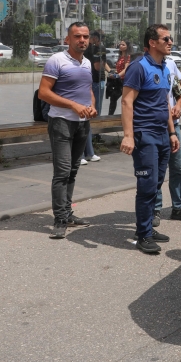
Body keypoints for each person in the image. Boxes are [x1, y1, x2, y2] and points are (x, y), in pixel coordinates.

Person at [120, 24, 180, 254]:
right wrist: (128, 136)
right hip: (144, 135)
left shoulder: (164, 67)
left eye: (170, 38)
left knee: (155, 185)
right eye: (166, 38)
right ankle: (143, 234)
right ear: (152, 42)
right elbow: (126, 102)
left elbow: (165, 103)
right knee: (146, 186)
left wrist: (172, 132)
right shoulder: (139, 67)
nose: (170, 42)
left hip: (162, 135)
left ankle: (146, 228)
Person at [38, 21, 96, 239]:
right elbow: (43, 93)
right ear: (67, 40)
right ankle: (60, 218)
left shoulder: (87, 63)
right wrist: (73, 105)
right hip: (61, 122)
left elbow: (86, 89)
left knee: (73, 170)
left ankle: (68, 212)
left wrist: (91, 106)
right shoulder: (56, 60)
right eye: (77, 36)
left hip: (82, 124)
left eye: (85, 36)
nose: (82, 40)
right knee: (62, 172)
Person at [153, 51, 181, 224]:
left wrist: (179, 105)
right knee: (157, 169)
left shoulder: (171, 64)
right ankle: (155, 209)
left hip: (175, 124)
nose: (169, 43)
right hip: (157, 125)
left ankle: (177, 207)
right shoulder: (146, 65)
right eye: (165, 39)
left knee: (177, 168)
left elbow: (179, 91)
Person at [82, 31, 107, 164]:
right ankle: (84, 152)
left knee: (89, 117)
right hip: (95, 82)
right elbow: (98, 66)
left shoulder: (89, 53)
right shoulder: (96, 50)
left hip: (92, 84)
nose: (84, 41)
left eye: (86, 37)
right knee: (90, 116)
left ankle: (89, 151)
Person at [106, 40, 132, 115]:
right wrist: (114, 73)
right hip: (119, 81)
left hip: (125, 81)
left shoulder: (128, 57)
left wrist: (117, 75)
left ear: (127, 47)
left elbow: (126, 69)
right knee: (113, 98)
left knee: (124, 100)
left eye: (123, 45)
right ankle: (110, 116)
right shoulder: (121, 57)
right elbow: (119, 69)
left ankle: (126, 116)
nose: (120, 46)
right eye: (120, 44)